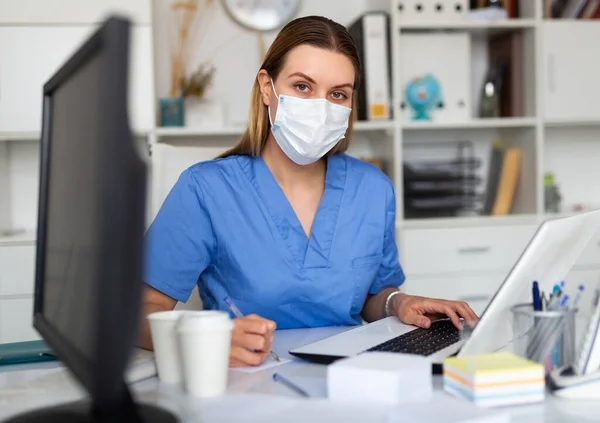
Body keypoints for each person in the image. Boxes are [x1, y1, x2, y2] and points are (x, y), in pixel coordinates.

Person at [138, 15, 478, 367]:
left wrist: (398, 303)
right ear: (267, 88)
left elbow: (373, 295)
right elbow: (140, 313)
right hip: (246, 384)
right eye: (303, 87)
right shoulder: (206, 189)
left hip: (348, 380)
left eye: (337, 94)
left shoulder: (373, 189)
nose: (321, 108)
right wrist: (205, 343)